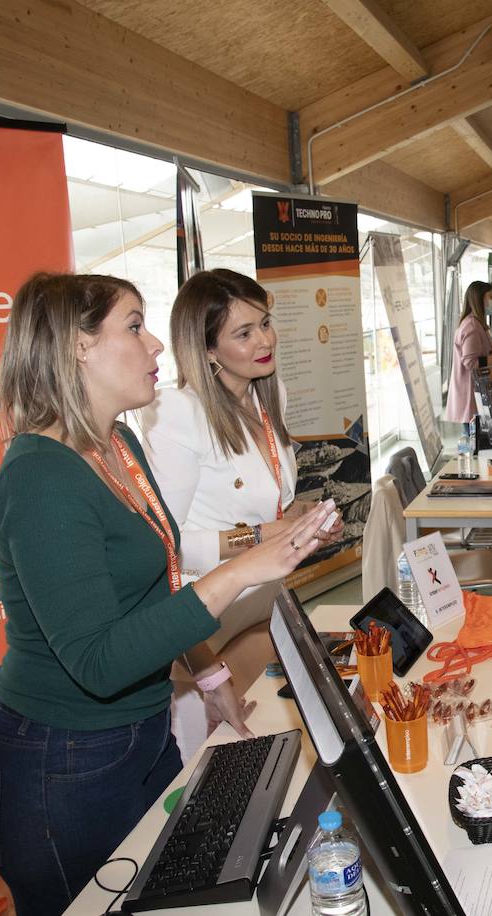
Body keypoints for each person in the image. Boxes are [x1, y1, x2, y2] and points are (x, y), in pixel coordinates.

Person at [0, 273, 330, 915]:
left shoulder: (119, 445)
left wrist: (210, 679)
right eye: (134, 326)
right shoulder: (40, 476)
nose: (157, 343)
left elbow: (158, 583)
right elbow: (98, 661)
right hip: (58, 762)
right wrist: (240, 569)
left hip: (139, 732)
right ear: (78, 346)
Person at [140, 268, 343, 760]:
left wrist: (303, 516)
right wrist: (263, 535)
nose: (264, 341)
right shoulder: (177, 413)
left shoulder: (267, 395)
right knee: (216, 764)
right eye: (244, 333)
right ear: (207, 349)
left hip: (263, 609)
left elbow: (268, 502)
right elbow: (166, 546)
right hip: (202, 627)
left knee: (272, 749)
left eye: (265, 324)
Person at [447, 281, 492, 436]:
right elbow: (471, 363)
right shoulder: (471, 326)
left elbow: (485, 358)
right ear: (478, 299)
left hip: (482, 394)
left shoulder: (478, 324)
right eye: (491, 297)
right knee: (476, 443)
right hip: (471, 396)